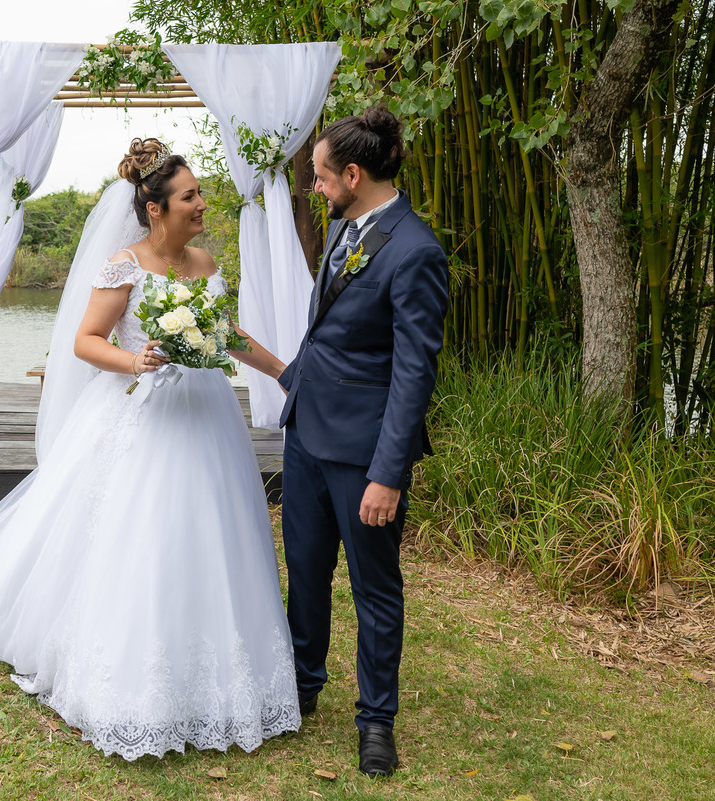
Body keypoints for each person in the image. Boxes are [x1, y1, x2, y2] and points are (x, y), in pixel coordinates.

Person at [0, 138, 300, 761]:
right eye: (190, 196)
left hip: (205, 417)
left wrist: (286, 374)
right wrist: (136, 358)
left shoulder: (207, 265)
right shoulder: (122, 266)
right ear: (155, 208)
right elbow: (84, 340)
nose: (203, 204)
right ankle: (129, 670)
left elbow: (226, 332)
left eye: (201, 194)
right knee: (139, 535)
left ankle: (218, 669)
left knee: (211, 531)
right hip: (142, 415)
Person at [276, 107, 449, 777]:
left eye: (320, 176)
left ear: (353, 173)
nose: (315, 187)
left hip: (364, 454)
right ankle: (301, 683)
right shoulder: (347, 225)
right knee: (307, 568)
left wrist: (389, 472)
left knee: (375, 589)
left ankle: (376, 720)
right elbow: (326, 335)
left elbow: (413, 373)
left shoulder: (416, 250)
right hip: (307, 435)